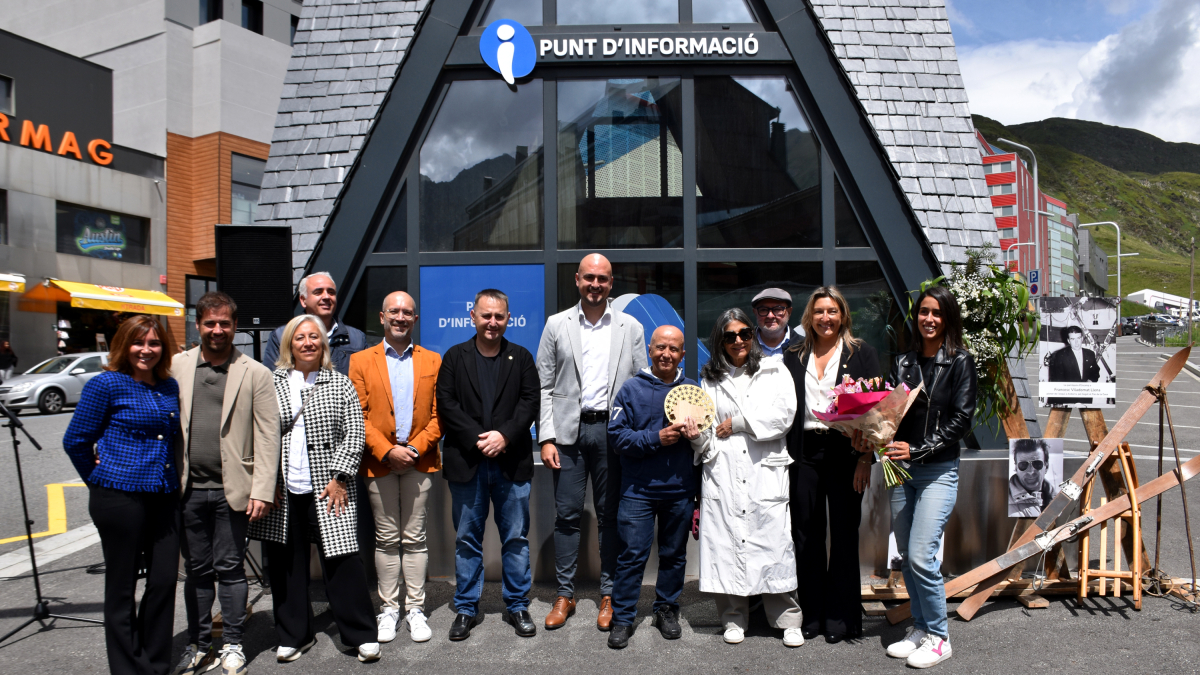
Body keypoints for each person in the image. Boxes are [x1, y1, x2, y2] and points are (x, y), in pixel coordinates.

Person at [247, 315, 380, 663]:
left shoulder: (339, 382)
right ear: (289, 345)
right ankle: (294, 635)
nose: (307, 343)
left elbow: (354, 433)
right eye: (300, 338)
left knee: (343, 560)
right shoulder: (271, 382)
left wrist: (340, 476)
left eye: (313, 337)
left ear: (323, 343)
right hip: (283, 489)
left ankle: (361, 634)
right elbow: (257, 432)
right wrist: (266, 482)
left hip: (330, 487)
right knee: (285, 564)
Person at [865, 285, 976, 669]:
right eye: (924, 312)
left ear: (948, 318)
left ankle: (940, 638)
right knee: (907, 557)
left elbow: (962, 420)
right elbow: (890, 413)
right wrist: (871, 431)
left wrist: (919, 449)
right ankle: (921, 626)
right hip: (900, 469)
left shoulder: (960, 362)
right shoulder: (904, 362)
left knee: (921, 555)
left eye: (937, 313)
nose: (929, 319)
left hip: (937, 470)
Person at [63, 315, 181, 675]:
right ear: (123, 345)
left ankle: (155, 664)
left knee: (163, 580)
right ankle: (128, 668)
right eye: (138, 342)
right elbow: (75, 441)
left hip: (163, 495)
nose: (146, 350)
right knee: (122, 586)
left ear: (163, 348)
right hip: (118, 497)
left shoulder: (169, 385)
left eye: (154, 343)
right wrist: (100, 479)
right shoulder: (106, 384)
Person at [171, 292, 281, 675]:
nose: (217, 330)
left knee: (232, 569)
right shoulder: (177, 366)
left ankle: (233, 643)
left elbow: (268, 435)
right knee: (197, 571)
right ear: (198, 325)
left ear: (235, 326)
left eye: (224, 323)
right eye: (210, 323)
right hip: (186, 490)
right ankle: (200, 645)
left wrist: (262, 489)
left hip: (233, 490)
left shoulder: (255, 372)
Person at [536, 253, 647, 631]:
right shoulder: (557, 324)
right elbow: (544, 385)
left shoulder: (630, 327)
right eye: (589, 278)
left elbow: (640, 385)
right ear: (577, 280)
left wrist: (635, 436)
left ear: (611, 283)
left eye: (602, 279)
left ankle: (609, 594)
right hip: (567, 435)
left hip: (612, 434)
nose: (595, 285)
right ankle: (564, 594)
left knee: (610, 516)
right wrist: (546, 437)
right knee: (566, 515)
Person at [693, 309, 803, 647]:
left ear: (752, 336)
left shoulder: (774, 369)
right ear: (720, 341)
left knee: (774, 545)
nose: (738, 341)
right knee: (726, 544)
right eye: (730, 336)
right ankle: (732, 618)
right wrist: (696, 437)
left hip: (763, 470)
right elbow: (707, 430)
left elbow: (784, 416)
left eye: (744, 333)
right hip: (723, 470)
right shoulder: (709, 379)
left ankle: (788, 619)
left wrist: (739, 423)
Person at [436, 289, 540, 641]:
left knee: (515, 539)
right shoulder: (455, 357)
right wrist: (480, 439)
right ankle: (466, 607)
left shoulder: (521, 357)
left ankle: (517, 605)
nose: (492, 322)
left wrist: (504, 436)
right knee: (467, 539)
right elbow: (446, 403)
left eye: (499, 316)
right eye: (486, 315)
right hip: (468, 462)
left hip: (511, 463)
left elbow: (530, 402)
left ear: (508, 318)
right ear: (473, 316)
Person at [782, 287, 880, 643]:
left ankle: (841, 619)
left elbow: (875, 410)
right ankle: (811, 614)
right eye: (820, 311)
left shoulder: (861, 353)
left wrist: (866, 458)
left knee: (843, 534)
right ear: (810, 316)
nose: (826, 318)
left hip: (845, 452)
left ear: (843, 316)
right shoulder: (793, 355)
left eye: (833, 311)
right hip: (803, 452)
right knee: (806, 535)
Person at [348, 291, 442, 644]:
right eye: (394, 311)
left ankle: (415, 608)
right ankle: (389, 609)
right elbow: (358, 414)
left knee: (415, 538)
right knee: (387, 539)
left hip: (419, 460)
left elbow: (440, 415)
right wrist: (387, 451)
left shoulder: (432, 360)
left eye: (407, 312)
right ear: (382, 316)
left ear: (415, 319)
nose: (400, 317)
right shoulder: (360, 360)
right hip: (379, 461)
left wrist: (414, 449)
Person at [605, 325, 701, 649]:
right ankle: (622, 618)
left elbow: (706, 439)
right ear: (650, 349)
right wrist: (654, 438)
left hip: (680, 490)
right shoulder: (630, 389)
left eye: (674, 349)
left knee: (674, 555)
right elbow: (617, 436)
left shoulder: (692, 391)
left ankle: (666, 610)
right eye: (661, 347)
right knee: (632, 556)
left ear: (683, 354)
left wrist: (696, 436)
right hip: (638, 491)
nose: (666, 354)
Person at [262, 272, 368, 376]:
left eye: (331, 292)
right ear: (303, 300)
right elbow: (271, 378)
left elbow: (365, 377)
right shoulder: (281, 335)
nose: (326, 297)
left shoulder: (357, 338)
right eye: (318, 292)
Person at [1046, 325, 1100, 405]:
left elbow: (1096, 371)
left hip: (1086, 399)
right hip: (1068, 400)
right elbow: (1057, 381)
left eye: (1078, 338)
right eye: (1073, 339)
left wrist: (1091, 380)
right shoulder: (1060, 355)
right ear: (1068, 340)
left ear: (1082, 338)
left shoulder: (1090, 354)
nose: (1076, 342)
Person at [1009, 439, 1058, 517]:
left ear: (1046, 467)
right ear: (1016, 468)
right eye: (1023, 465)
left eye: (1037, 464)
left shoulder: (1058, 498)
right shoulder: (1002, 498)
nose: (1031, 472)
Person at [752, 288, 801, 359]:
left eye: (777, 309)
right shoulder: (743, 345)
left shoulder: (805, 347)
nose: (770, 316)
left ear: (789, 312)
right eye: (763, 310)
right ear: (755, 312)